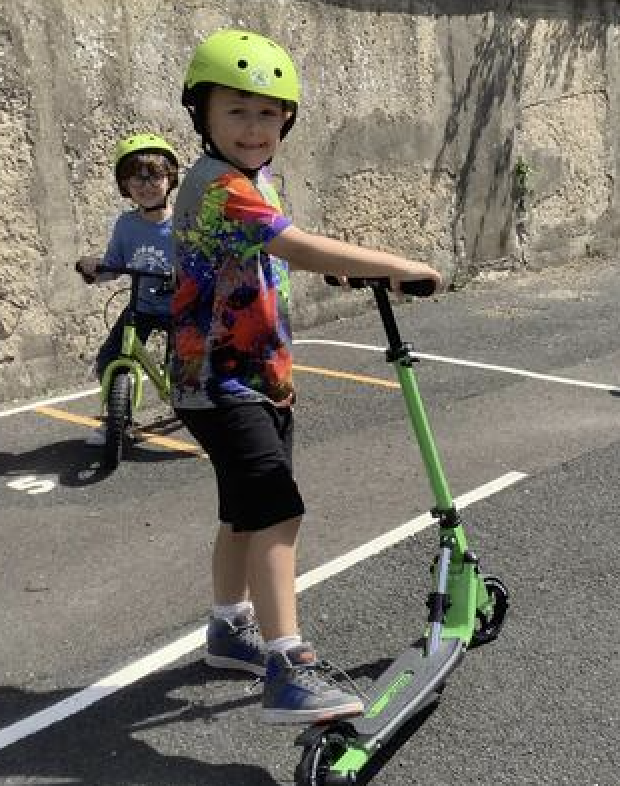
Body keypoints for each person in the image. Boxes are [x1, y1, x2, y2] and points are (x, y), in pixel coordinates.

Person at [172, 29, 443, 724]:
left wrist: (341, 266)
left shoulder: (247, 182)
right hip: (221, 382)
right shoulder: (215, 186)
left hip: (253, 379)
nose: (255, 127)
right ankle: (288, 667)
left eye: (269, 114)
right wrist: (396, 264)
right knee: (277, 508)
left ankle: (231, 629)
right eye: (237, 111)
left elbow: (269, 253)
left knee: (245, 512)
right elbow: (292, 242)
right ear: (201, 113)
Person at [76, 134, 180, 443]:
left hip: (181, 307)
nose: (146, 186)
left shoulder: (183, 223)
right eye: (137, 179)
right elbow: (114, 264)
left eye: (155, 176)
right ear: (125, 187)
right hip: (142, 307)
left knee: (192, 366)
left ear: (170, 180)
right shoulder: (126, 225)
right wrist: (94, 270)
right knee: (111, 356)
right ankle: (116, 420)